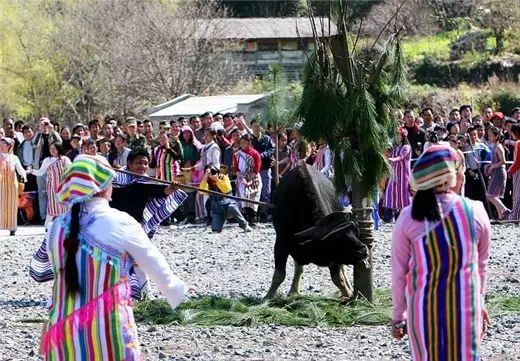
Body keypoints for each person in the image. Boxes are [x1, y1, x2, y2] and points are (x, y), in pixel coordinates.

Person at [33, 155, 191, 359]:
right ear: (105, 186)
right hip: (109, 330)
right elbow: (158, 270)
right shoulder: (120, 222)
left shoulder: (55, 227)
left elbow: (47, 270)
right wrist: (179, 293)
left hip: (62, 332)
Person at [391, 145, 491, 360]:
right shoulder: (476, 211)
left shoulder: (408, 217)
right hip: (466, 310)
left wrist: (399, 315)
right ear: (451, 175)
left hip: (423, 313)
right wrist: (480, 303)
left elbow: (399, 274)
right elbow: (480, 268)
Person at [28, 143, 72, 226]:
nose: (52, 150)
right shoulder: (47, 160)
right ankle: (47, 227)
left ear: (59, 149)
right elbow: (40, 173)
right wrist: (32, 171)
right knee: (52, 207)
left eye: (54, 148)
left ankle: (67, 226)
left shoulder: (65, 159)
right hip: (52, 187)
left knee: (65, 207)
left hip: (63, 187)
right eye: (51, 148)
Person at [199, 165, 252, 233]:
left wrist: (216, 179)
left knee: (232, 207)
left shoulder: (224, 177)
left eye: (214, 172)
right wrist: (205, 177)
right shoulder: (207, 181)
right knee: (215, 230)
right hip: (218, 210)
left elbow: (226, 189)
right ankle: (220, 222)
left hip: (228, 205)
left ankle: (245, 225)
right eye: (209, 173)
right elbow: (202, 191)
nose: (212, 174)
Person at [32, 117, 62, 223]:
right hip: (40, 167)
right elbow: (34, 144)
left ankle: (56, 214)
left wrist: (52, 130)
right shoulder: (38, 136)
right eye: (42, 123)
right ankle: (43, 216)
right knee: (42, 193)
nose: (44, 125)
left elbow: (59, 142)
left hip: (53, 167)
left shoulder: (52, 135)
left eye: (46, 123)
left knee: (54, 192)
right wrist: (39, 131)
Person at [383, 128, 411, 222]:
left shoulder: (406, 147)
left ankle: (405, 217)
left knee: (403, 196)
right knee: (392, 194)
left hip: (403, 176)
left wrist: (390, 159)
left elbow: (400, 157)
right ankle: (391, 217)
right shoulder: (395, 148)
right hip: (394, 175)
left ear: (403, 136)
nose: (396, 137)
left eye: (398, 135)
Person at [0, 137, 27, 236]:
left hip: (12, 184)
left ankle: (12, 227)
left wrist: (25, 176)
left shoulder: (14, 158)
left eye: (4, 144)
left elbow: (20, 170)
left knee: (12, 205)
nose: (2, 146)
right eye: (1, 143)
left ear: (9, 146)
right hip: (1, 184)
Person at [234, 134, 262, 225]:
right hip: (242, 177)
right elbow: (236, 168)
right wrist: (241, 178)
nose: (242, 144)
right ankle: (246, 217)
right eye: (241, 142)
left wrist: (250, 179)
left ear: (249, 143)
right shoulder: (237, 154)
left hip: (253, 177)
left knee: (252, 196)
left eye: (244, 143)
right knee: (243, 196)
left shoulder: (255, 153)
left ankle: (253, 216)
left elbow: (257, 167)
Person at [486, 127, 510, 219]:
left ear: (496, 136)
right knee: (493, 195)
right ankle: (501, 215)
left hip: (499, 172)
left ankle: (505, 210)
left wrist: (492, 166)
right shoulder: (494, 146)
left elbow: (503, 161)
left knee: (490, 195)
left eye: (490, 135)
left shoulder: (499, 146)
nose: (489, 137)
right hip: (495, 172)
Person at [507, 124, 520, 220]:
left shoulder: (518, 143)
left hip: (518, 172)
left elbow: (517, 161)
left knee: (517, 193)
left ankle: (515, 215)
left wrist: (510, 171)